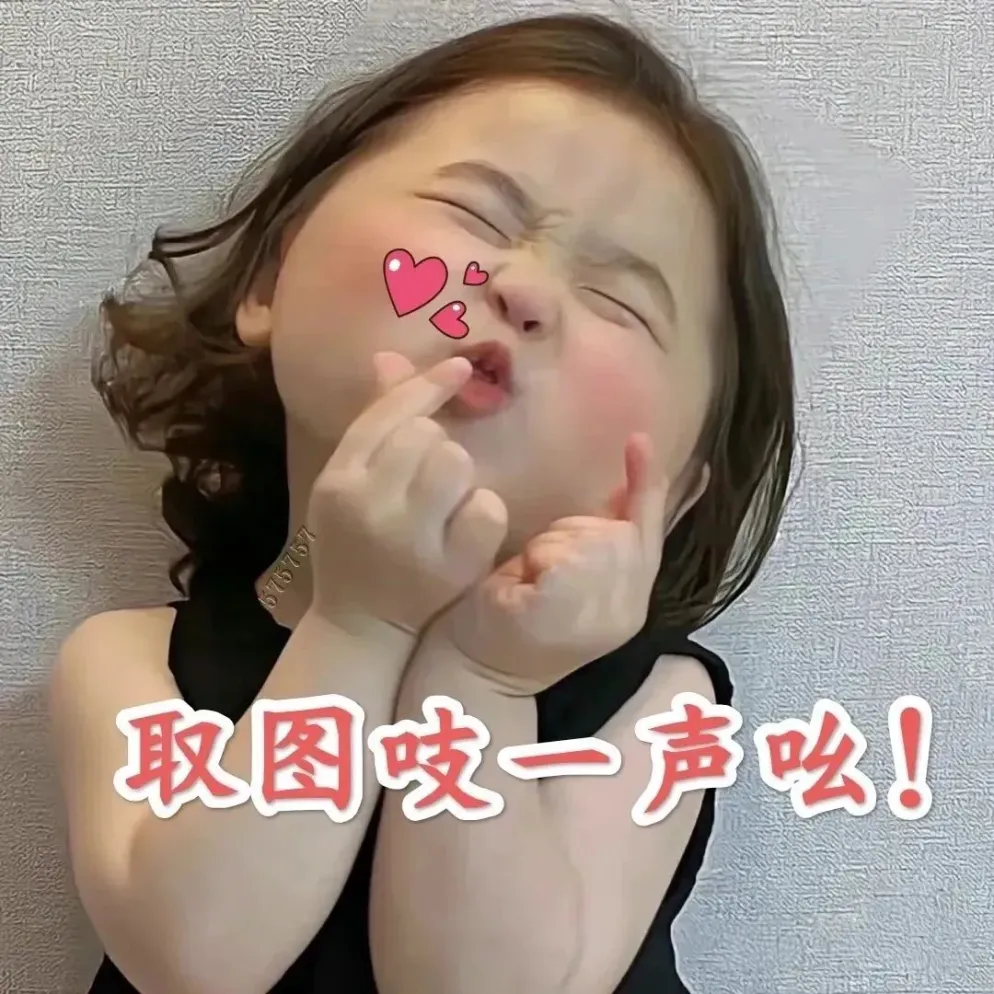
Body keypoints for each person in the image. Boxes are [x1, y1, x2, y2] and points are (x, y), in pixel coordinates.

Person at [49, 13, 794, 994]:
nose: (523, 288)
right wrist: (358, 623)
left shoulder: (659, 705)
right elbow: (197, 961)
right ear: (272, 279)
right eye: (477, 216)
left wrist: (483, 676)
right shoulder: (128, 662)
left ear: (679, 485)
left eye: (618, 300)